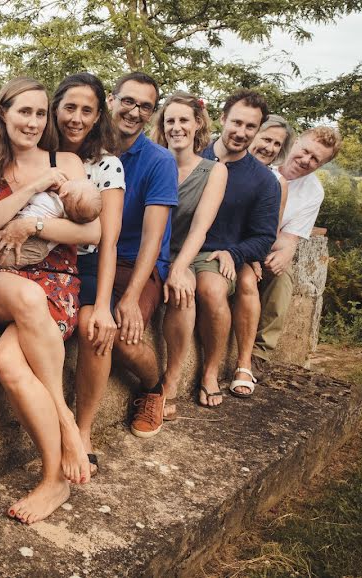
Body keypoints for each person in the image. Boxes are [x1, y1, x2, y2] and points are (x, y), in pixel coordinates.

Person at [0, 77, 100, 523]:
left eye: (39, 113)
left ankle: (55, 481)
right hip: (0, 279)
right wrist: (29, 192)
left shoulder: (65, 160)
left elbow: (92, 231)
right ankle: (69, 425)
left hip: (57, 282)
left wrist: (29, 227)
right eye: (23, 112)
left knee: (9, 362)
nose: (32, 122)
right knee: (26, 295)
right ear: (3, 113)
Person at [73, 71, 178, 444]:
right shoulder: (83, 145)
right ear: (112, 101)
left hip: (135, 264)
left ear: (152, 114)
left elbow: (154, 237)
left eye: (145, 106)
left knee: (118, 335)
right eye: (128, 101)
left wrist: (133, 295)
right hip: (85, 256)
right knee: (88, 324)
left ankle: (153, 387)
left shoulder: (158, 160)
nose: (134, 111)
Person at [48, 72, 124, 471]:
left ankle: (84, 429)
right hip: (43, 259)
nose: (76, 118)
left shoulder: (106, 165)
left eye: (87, 111)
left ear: (98, 118)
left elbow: (107, 239)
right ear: (55, 109)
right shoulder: (38, 154)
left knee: (95, 325)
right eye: (70, 108)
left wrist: (107, 303)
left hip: (89, 260)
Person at [233, 126, 342, 389]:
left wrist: (284, 251)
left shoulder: (312, 191)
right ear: (295, 144)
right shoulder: (262, 160)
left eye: (316, 160)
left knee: (283, 277)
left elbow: (289, 239)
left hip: (265, 246)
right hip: (233, 239)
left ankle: (259, 354)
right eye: (305, 151)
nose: (306, 161)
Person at [198, 90, 280, 400]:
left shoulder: (263, 180)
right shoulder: (193, 157)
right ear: (222, 118)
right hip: (180, 248)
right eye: (236, 122)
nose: (241, 132)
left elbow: (263, 237)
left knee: (219, 288)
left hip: (225, 254)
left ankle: (214, 370)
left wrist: (235, 253)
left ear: (258, 131)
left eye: (250, 127)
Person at [149, 92, 228, 411]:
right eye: (170, 121)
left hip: (190, 250)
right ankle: (165, 380)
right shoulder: (154, 161)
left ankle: (179, 376)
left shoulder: (214, 171)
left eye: (184, 120)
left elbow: (199, 228)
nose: (176, 127)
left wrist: (180, 269)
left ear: (198, 125)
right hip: (153, 249)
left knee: (189, 291)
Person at [0, 175, 102, 269]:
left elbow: (27, 197)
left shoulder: (48, 199)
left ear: (63, 193)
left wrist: (40, 186)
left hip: (25, 235)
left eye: (71, 181)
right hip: (41, 250)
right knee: (15, 258)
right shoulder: (70, 217)